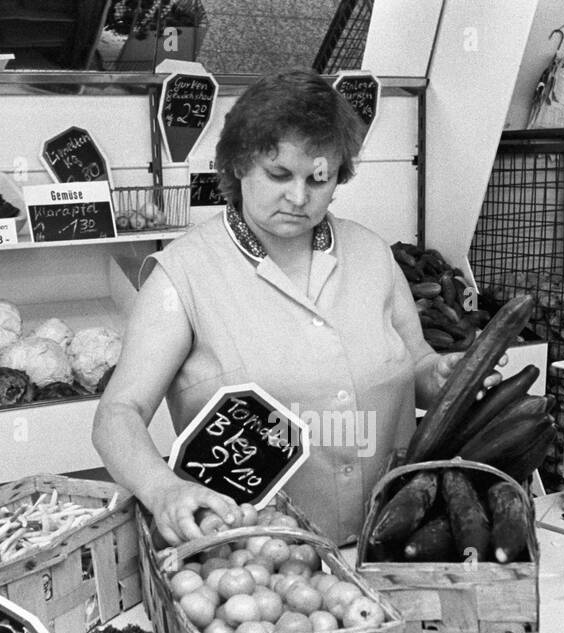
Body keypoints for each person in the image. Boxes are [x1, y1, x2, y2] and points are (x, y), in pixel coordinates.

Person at [94, 69, 497, 546]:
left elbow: (417, 370)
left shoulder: (371, 256)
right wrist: (162, 490)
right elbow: (118, 413)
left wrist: (445, 375)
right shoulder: (182, 276)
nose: (299, 197)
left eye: (318, 178)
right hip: (256, 566)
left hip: (390, 542)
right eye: (279, 174)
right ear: (239, 165)